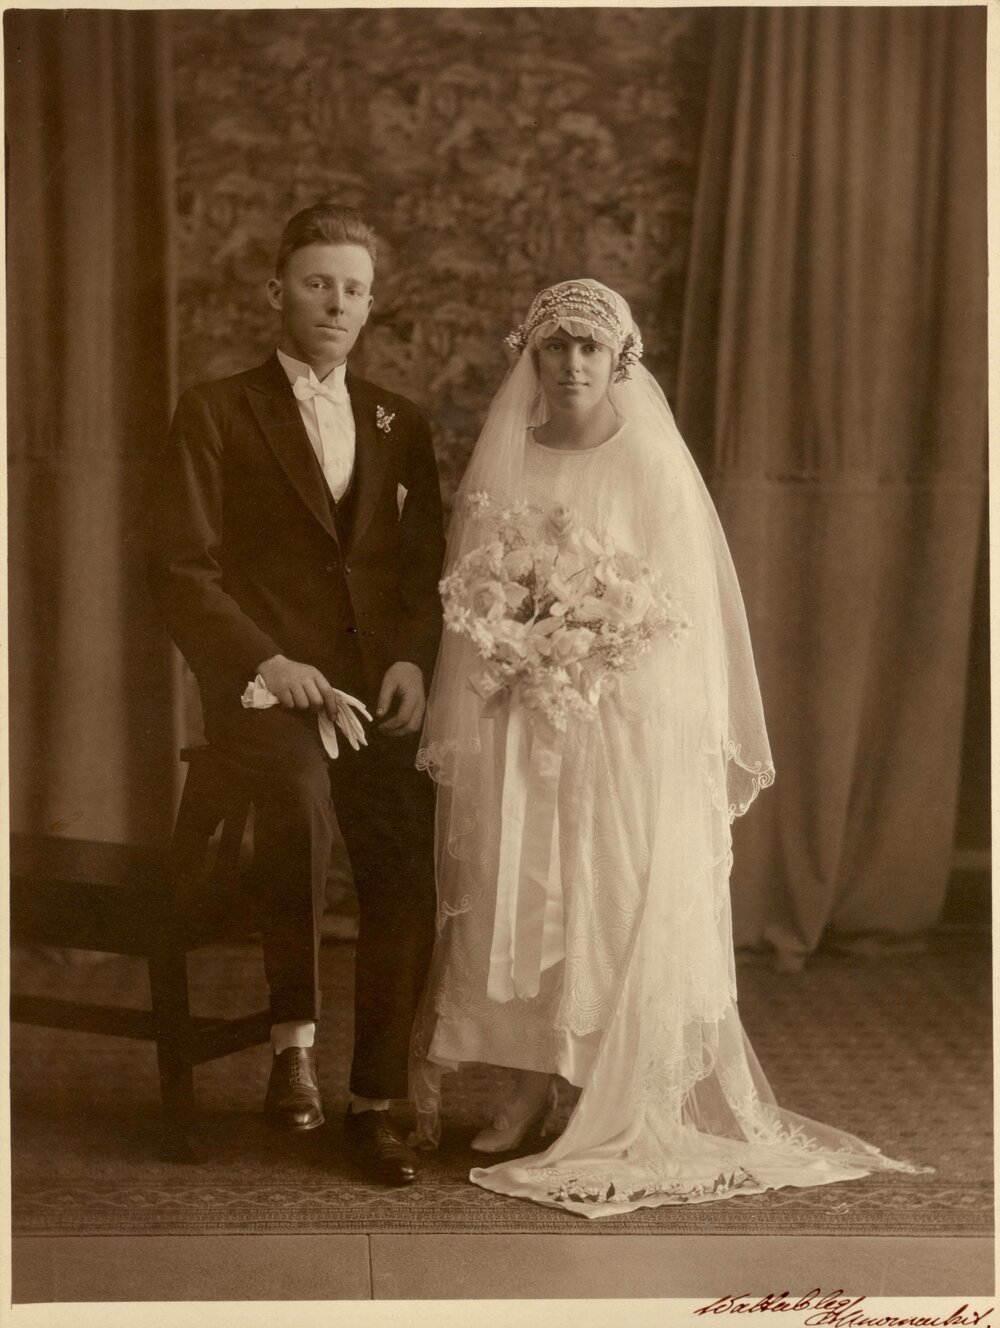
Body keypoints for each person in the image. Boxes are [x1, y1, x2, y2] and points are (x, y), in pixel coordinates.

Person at [410, 279, 922, 1216]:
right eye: (555, 347)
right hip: (528, 712)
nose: (570, 365)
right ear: (532, 356)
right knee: (525, 891)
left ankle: (591, 1088)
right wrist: (515, 645)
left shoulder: (647, 463)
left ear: (618, 365)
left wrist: (596, 644)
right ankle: (528, 1080)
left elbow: (675, 615)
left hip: (619, 721)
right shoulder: (507, 459)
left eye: (589, 351)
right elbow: (473, 592)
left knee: (602, 893)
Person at [148, 202, 445, 1185]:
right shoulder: (215, 409)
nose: (336, 302)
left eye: (354, 287)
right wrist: (267, 664)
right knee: (299, 796)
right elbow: (180, 568)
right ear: (276, 290)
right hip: (263, 697)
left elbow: (418, 567)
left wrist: (406, 660)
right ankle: (293, 1041)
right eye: (318, 282)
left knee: (407, 847)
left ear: (371, 304)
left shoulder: (399, 420)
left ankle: (379, 1099)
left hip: (370, 699)